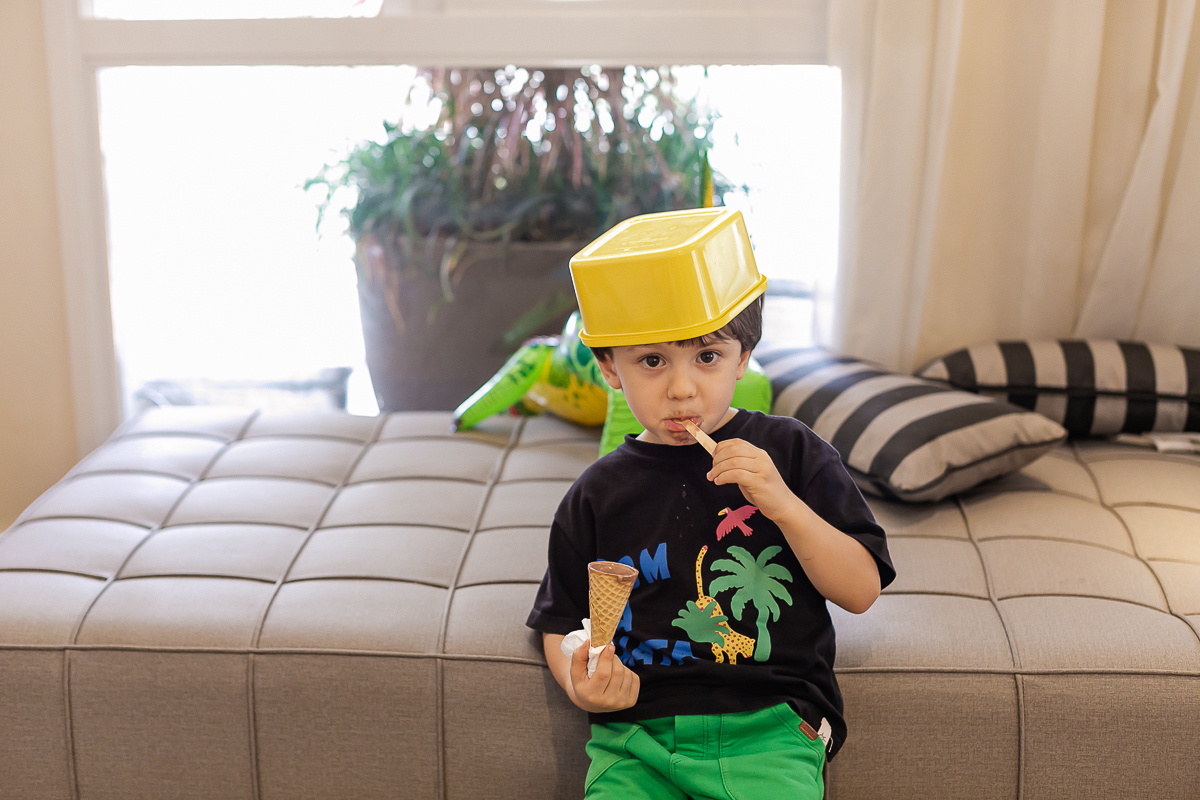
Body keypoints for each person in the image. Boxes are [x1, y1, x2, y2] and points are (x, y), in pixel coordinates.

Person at [526, 208, 895, 800]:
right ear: (608, 368)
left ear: (743, 356)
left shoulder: (793, 453)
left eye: (707, 356)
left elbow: (861, 589)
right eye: (652, 361)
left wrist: (782, 503)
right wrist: (579, 681)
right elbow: (561, 619)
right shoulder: (596, 494)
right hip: (634, 739)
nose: (682, 388)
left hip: (773, 728)